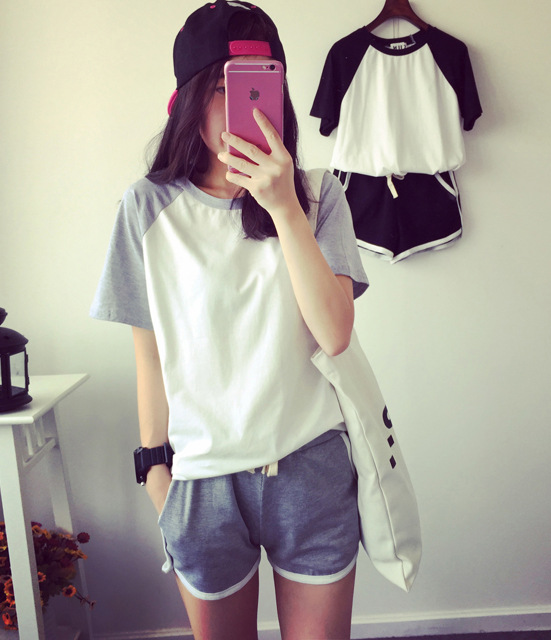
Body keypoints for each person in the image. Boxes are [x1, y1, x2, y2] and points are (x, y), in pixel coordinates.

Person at [90, 1, 369, 638]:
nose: (243, 105)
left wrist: (283, 206)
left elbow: (334, 333)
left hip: (310, 465)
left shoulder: (319, 194)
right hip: (201, 482)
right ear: (186, 100)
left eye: (260, 84)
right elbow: (149, 355)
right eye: (222, 87)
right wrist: (155, 471)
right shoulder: (146, 208)